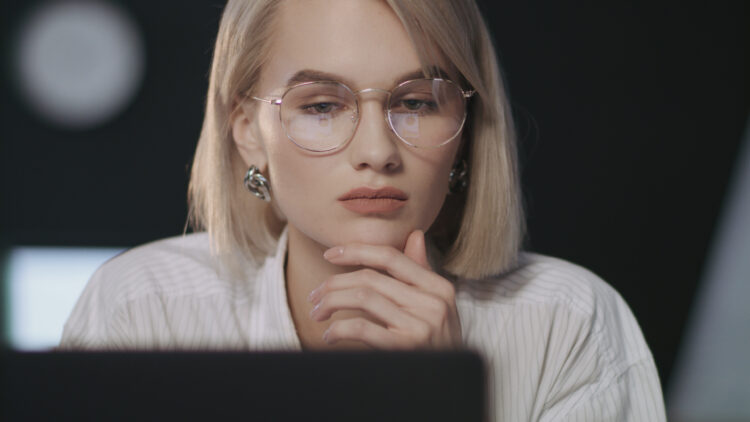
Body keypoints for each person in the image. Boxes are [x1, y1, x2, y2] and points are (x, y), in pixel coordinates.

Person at [60, 0, 666, 419]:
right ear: (247, 130)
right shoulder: (142, 311)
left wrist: (439, 404)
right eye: (322, 106)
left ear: (465, 128)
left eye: (419, 103)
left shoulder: (569, 323)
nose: (377, 152)